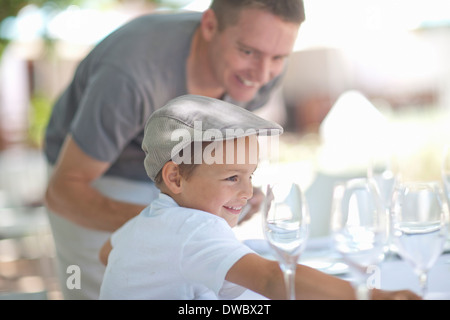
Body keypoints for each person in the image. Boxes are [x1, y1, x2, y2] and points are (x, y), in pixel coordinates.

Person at [43, 0, 305, 299]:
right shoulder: (131, 75)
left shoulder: (262, 68)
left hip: (176, 172)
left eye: (278, 57)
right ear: (209, 26)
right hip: (95, 176)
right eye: (247, 51)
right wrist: (169, 225)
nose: (261, 75)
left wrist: (230, 181)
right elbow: (62, 192)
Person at [98, 95, 420, 300]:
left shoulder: (154, 221)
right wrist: (375, 298)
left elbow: (107, 251)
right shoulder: (193, 228)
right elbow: (270, 280)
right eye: (232, 177)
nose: (248, 191)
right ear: (174, 177)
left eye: (249, 175)